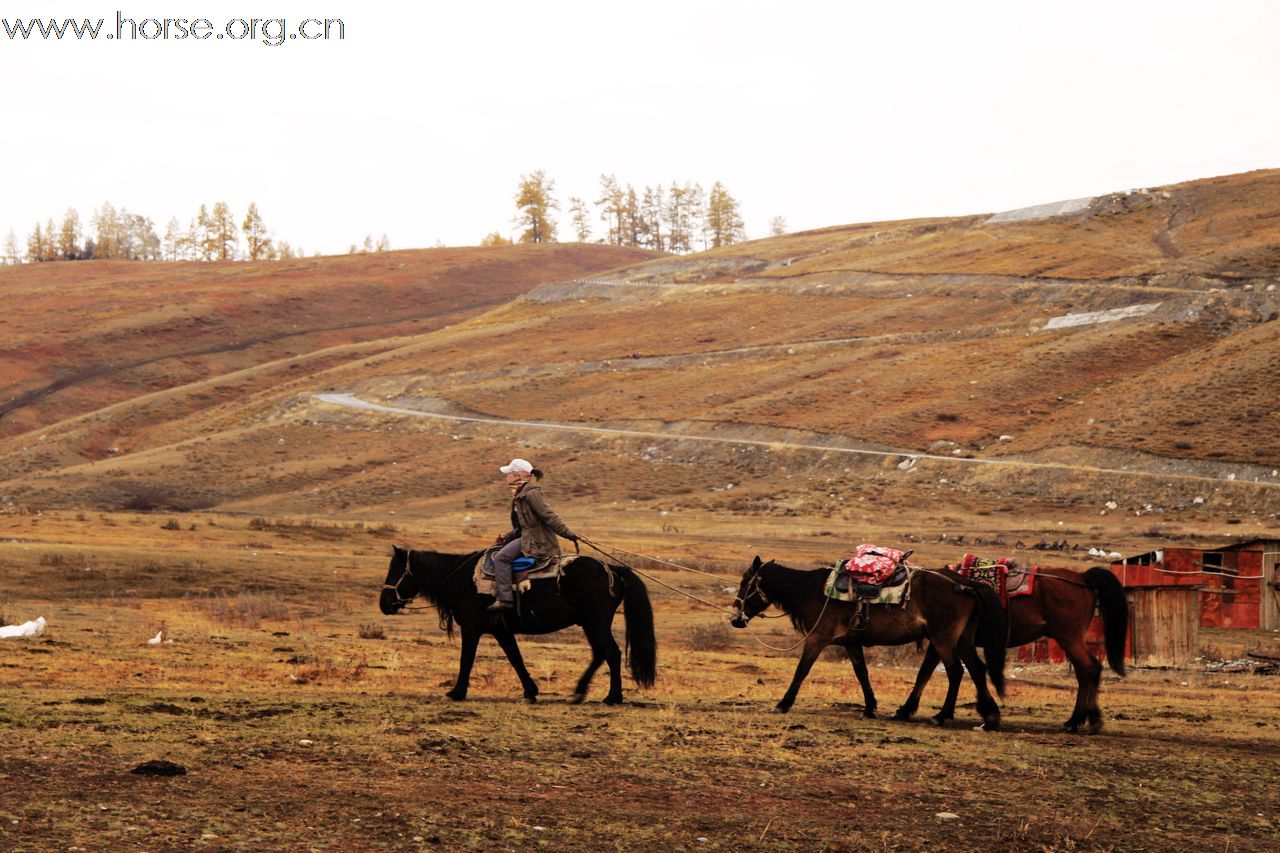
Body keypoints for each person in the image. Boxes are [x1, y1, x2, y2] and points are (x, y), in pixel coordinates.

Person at [487, 458, 579, 612]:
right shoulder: (520, 496)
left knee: (501, 558)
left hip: (537, 542)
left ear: (517, 475)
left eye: (509, 473)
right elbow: (525, 526)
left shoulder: (531, 494)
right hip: (528, 538)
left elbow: (549, 516)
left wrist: (569, 534)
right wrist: (507, 535)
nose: (506, 477)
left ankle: (505, 599)